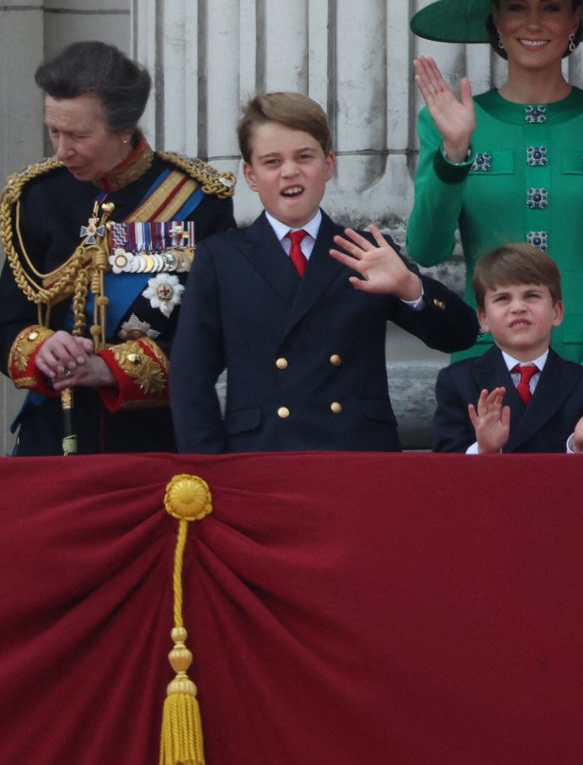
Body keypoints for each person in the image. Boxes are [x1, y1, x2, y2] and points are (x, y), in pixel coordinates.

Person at [408, 0, 583, 448]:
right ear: (495, 21)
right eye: (516, 6)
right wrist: (455, 152)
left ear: (576, 20)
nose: (534, 22)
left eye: (552, 7)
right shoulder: (451, 122)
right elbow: (426, 249)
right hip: (483, 367)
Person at [170, 93, 479, 452]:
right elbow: (190, 378)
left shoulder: (364, 249)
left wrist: (409, 287)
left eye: (304, 157)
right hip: (261, 459)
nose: (290, 171)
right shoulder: (220, 258)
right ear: (251, 176)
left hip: (357, 458)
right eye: (272, 161)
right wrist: (210, 473)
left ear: (328, 165)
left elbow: (461, 335)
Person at [1, 41, 236, 456]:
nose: (61, 150)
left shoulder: (198, 201)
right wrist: (42, 348)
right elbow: (6, 321)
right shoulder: (38, 196)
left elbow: (215, 336)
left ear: (124, 128)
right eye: (53, 131)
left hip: (155, 441)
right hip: (53, 440)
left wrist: (109, 369)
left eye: (78, 135)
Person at [433, 243, 583, 454]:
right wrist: (484, 450)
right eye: (502, 298)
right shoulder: (458, 382)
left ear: (557, 312)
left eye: (531, 296)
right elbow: (445, 474)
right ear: (483, 319)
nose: (518, 308)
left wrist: (578, 445)